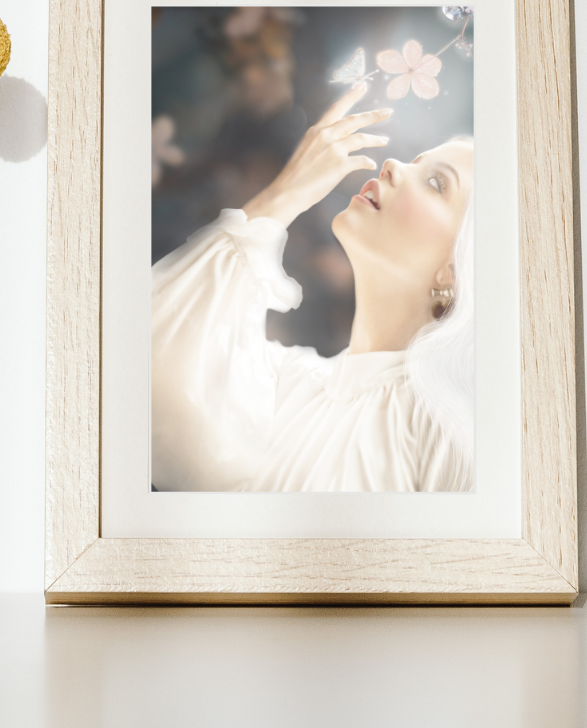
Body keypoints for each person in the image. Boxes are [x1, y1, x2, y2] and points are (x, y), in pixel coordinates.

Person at [151, 81, 475, 492]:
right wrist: (288, 191)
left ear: (455, 268)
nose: (393, 164)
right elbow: (147, 358)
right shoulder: (288, 384)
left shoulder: (449, 429)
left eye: (436, 183)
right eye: (415, 160)